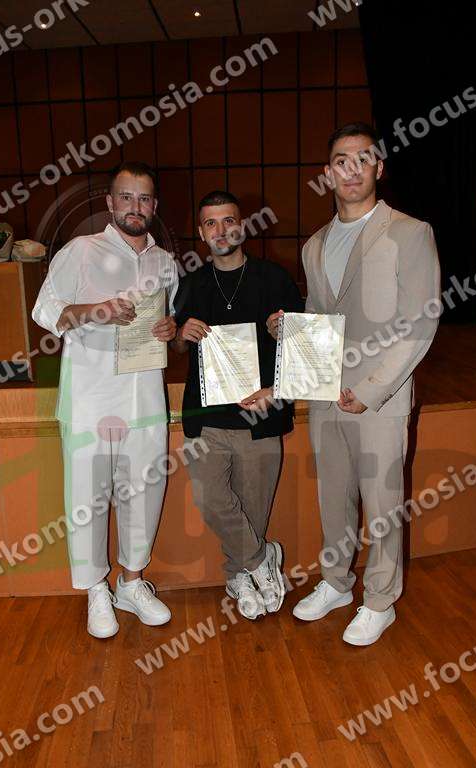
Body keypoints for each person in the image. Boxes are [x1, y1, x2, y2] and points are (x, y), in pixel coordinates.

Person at [285, 123, 441, 645]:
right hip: (326, 395)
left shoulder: (409, 233)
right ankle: (335, 582)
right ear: (327, 173)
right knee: (333, 498)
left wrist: (372, 389)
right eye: (340, 160)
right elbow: (319, 316)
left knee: (382, 505)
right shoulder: (314, 245)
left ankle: (380, 600)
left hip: (379, 398)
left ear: (379, 167)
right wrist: (290, 334)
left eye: (362, 158)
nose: (351, 169)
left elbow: (420, 323)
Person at [32, 161, 178, 639]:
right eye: (126, 197)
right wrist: (95, 310)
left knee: (146, 490)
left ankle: (132, 583)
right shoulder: (81, 251)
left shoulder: (164, 262)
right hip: (91, 400)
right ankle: (96, 589)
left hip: (146, 398)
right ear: (110, 202)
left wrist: (170, 328)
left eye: (144, 198)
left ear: (154, 206)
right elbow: (45, 310)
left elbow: (170, 320)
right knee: (88, 498)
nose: (136, 206)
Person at [172, 191, 304, 619]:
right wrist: (181, 335)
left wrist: (281, 333)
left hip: (259, 416)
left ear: (242, 225)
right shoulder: (190, 284)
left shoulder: (274, 278)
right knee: (211, 500)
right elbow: (174, 345)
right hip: (205, 417)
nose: (221, 230)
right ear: (201, 232)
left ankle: (238, 574)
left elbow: (303, 346)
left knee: (253, 509)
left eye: (228, 220)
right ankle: (262, 559)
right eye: (211, 223)